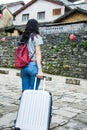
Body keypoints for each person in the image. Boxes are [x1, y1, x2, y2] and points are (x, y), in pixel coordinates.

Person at [20, 19, 43, 92]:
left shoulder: (23, 38)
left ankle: (24, 103)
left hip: (24, 67)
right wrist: (39, 70)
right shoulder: (37, 37)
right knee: (32, 92)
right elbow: (38, 54)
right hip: (33, 66)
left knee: (25, 91)